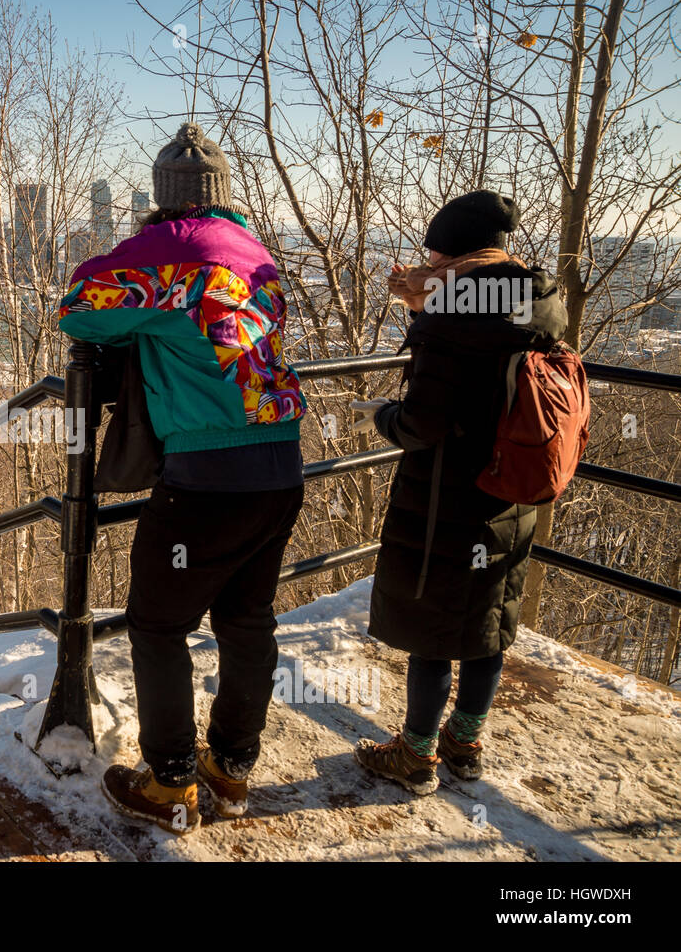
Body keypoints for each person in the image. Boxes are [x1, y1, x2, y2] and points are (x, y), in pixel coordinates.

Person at [57, 122, 308, 834]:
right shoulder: (253, 249)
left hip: (206, 479)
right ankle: (230, 771)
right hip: (279, 465)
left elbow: (78, 305)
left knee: (159, 623)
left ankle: (169, 785)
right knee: (246, 620)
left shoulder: (169, 249)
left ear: (167, 198)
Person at [350, 190, 567, 795]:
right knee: (488, 621)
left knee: (435, 629)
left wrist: (385, 417)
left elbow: (424, 422)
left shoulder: (450, 318)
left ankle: (415, 756)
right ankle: (464, 745)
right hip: (516, 491)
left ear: (455, 249)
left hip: (449, 497)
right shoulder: (537, 302)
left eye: (436, 250)